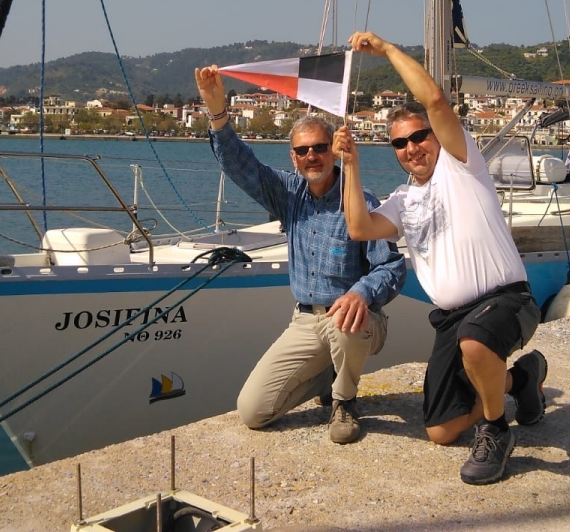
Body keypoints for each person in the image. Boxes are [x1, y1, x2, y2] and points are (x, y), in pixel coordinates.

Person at [333, 31, 546, 485]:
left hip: (506, 300)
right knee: (441, 431)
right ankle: (522, 381)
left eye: (419, 136)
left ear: (435, 135)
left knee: (476, 341)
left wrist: (387, 50)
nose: (412, 147)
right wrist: (350, 165)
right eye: (400, 143)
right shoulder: (402, 200)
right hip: (453, 320)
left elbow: (433, 99)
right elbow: (359, 228)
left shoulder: (460, 164)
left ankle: (495, 430)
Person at [194, 65, 406, 444]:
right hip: (307, 321)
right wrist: (217, 111)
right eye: (303, 150)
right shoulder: (288, 194)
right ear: (293, 158)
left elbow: (391, 266)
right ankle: (328, 377)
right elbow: (240, 165)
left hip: (357, 322)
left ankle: (344, 401)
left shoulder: (359, 200)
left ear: (334, 152)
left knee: (344, 319)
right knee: (253, 411)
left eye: (320, 148)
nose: (312, 156)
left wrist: (361, 293)